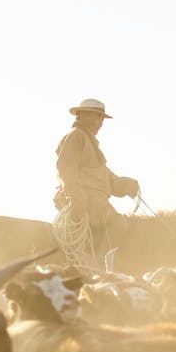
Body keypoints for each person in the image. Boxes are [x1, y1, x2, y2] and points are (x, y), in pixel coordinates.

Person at [54, 98, 139, 259]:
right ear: (81, 115)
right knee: (118, 225)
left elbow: (104, 176)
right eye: (94, 116)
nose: (99, 122)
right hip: (87, 201)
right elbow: (66, 169)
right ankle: (98, 265)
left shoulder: (90, 141)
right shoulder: (76, 136)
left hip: (96, 201)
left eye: (101, 118)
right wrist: (79, 199)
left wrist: (125, 185)